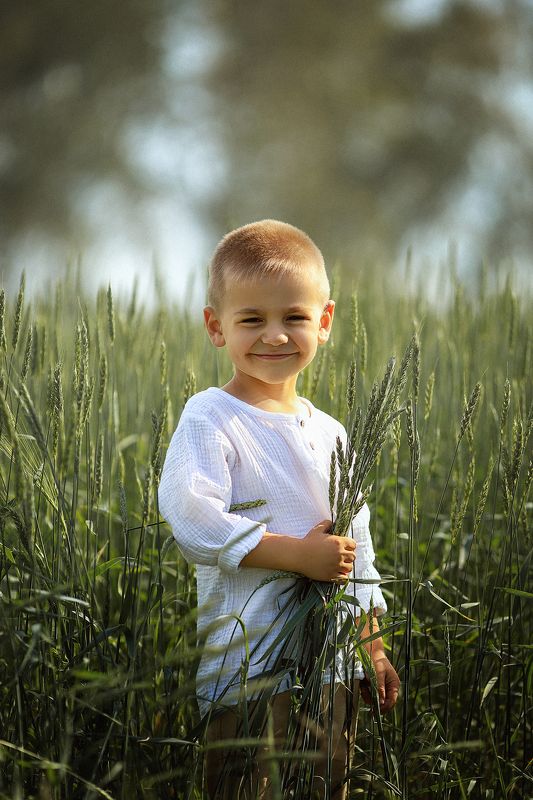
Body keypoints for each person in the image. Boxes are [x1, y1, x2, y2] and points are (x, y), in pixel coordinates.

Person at [158, 219, 400, 799]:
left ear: (325, 322)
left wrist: (371, 642)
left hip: (330, 656)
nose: (274, 335)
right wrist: (297, 556)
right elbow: (193, 517)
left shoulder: (335, 433)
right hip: (247, 660)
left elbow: (356, 550)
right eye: (251, 320)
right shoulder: (211, 417)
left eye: (293, 317)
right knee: (244, 782)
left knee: (328, 775)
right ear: (216, 327)